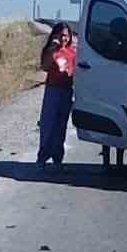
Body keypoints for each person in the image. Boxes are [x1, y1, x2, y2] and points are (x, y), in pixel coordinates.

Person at [38, 21, 76, 169]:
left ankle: (57, 157)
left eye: (66, 36)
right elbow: (45, 66)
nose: (63, 39)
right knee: (48, 124)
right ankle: (42, 156)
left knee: (61, 126)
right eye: (60, 36)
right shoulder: (51, 50)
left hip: (66, 91)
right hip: (53, 90)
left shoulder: (73, 52)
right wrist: (51, 49)